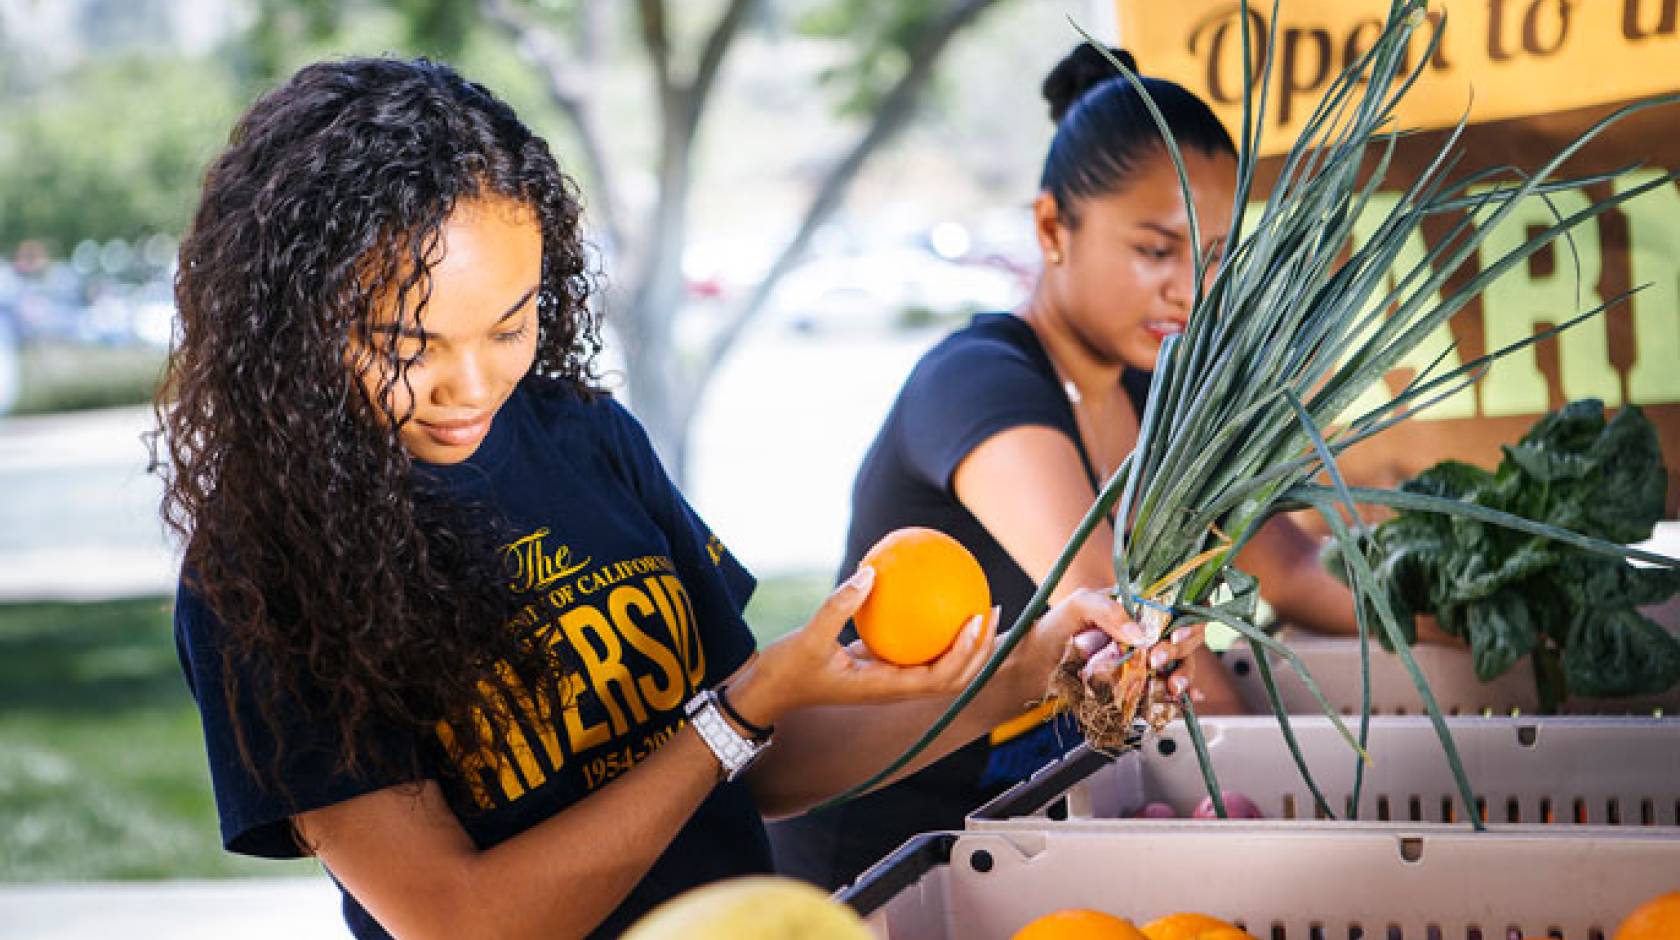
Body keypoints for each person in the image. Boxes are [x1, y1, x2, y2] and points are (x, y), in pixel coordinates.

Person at [156, 57, 1191, 940]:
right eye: (405, 346)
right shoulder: (260, 565)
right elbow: (459, 919)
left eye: (510, 326)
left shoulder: (583, 436)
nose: (471, 386)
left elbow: (762, 768)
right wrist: (738, 711)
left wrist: (1027, 666)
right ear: (293, 320)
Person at [769, 44, 1380, 889]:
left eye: (1211, 257)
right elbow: (1123, 623)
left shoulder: (1149, 390)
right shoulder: (979, 383)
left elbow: (1292, 569)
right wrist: (1274, 824)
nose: (1189, 291)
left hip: (1024, 822)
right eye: (1156, 251)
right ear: (1053, 228)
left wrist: (1451, 621)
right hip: (887, 857)